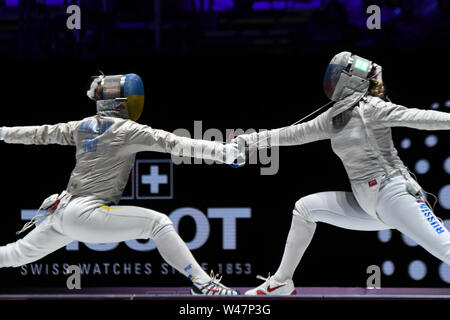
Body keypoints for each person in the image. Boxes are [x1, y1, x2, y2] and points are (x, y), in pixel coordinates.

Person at [0, 73, 241, 295]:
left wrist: (2, 132)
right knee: (158, 223)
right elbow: (174, 143)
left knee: (14, 253)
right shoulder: (128, 130)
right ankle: (204, 284)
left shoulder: (81, 126)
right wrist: (224, 152)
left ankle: (203, 285)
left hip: (61, 211)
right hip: (84, 213)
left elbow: (39, 133)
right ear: (121, 102)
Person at [234, 52, 450, 295]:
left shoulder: (373, 108)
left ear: (352, 79)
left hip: (395, 195)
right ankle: (283, 282)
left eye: (337, 76)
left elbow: (419, 117)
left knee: (445, 248)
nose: (332, 81)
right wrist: (250, 141)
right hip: (368, 204)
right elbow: (292, 134)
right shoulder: (333, 118)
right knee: (304, 209)